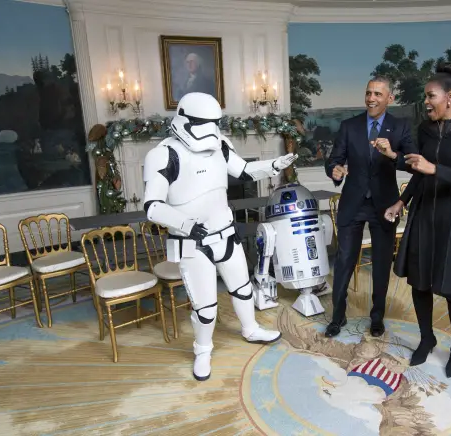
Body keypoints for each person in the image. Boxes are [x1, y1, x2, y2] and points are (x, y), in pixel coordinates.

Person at [143, 92, 297, 381]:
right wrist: (186, 224)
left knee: (243, 288)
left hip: (225, 234)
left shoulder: (219, 144)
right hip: (193, 243)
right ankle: (202, 350)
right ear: (184, 119)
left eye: (215, 122)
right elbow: (152, 206)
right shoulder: (164, 154)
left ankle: (250, 329)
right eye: (204, 122)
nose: (211, 129)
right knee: (206, 307)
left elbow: (244, 171)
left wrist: (274, 165)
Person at [384, 62, 451, 378]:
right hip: (426, 214)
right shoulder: (426, 129)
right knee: (420, 281)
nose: (426, 102)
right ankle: (426, 337)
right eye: (425, 96)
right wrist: (402, 201)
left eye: (431, 96)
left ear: (450, 96)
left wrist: (436, 169)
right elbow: (419, 173)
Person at [324, 76, 415, 338]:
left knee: (381, 263)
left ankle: (377, 318)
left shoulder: (401, 127)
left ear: (390, 98)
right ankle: (337, 317)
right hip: (353, 204)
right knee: (343, 262)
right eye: (368, 93)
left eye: (377, 94)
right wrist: (336, 170)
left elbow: (412, 162)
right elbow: (334, 160)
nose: (371, 98)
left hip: (384, 206)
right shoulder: (349, 126)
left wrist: (392, 155)